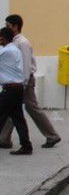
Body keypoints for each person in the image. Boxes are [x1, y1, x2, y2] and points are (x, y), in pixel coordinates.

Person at [1, 15, 60, 150]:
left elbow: (26, 65)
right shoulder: (13, 42)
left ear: (15, 26)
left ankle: (52, 135)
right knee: (13, 109)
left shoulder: (22, 43)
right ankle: (4, 139)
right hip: (18, 82)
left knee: (30, 108)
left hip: (23, 82)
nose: (6, 27)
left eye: (8, 25)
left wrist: (23, 84)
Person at [0, 26, 33, 155]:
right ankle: (26, 146)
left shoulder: (7, 51)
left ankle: (26, 146)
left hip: (10, 89)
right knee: (18, 118)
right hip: (17, 88)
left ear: (4, 37)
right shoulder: (14, 50)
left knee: (2, 115)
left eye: (0, 37)